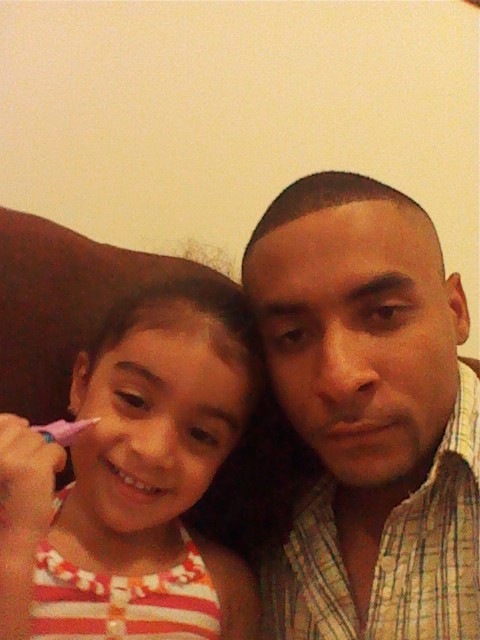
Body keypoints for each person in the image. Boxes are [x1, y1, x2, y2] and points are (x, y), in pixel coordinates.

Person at [241, 171, 479, 639]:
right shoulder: (238, 504)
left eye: (384, 314)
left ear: (455, 311)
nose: (339, 378)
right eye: (293, 336)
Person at [0, 276, 264, 640]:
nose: (153, 451)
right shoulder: (9, 540)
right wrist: (17, 545)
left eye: (202, 434)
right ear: (81, 384)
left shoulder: (226, 587)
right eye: (133, 400)